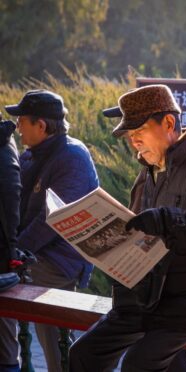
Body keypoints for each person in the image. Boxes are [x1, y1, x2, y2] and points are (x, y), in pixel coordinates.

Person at [69, 84, 186, 372]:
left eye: (139, 132)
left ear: (169, 123)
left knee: (139, 364)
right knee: (84, 353)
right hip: (145, 298)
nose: (133, 142)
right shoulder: (146, 175)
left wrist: (166, 220)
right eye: (130, 136)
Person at [4, 90, 99, 372]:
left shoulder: (72, 156)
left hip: (58, 259)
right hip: (35, 252)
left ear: (41, 126)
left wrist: (15, 253)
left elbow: (52, 220)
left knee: (53, 339)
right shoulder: (31, 155)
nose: (17, 128)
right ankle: (8, 362)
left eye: (22, 121)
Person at [0, 117, 22, 372]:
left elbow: (10, 202)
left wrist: (12, 249)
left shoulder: (4, 148)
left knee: (5, 352)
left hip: (4, 257)